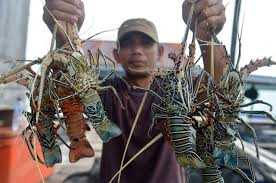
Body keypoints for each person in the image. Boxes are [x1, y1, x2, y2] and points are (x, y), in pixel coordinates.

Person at [43, 0, 228, 182]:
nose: (137, 51)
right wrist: (65, 35)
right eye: (128, 44)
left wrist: (206, 37)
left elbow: (219, 90)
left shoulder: (177, 88)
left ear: (160, 52)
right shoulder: (107, 91)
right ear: (116, 54)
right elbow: (69, 90)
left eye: (146, 43)